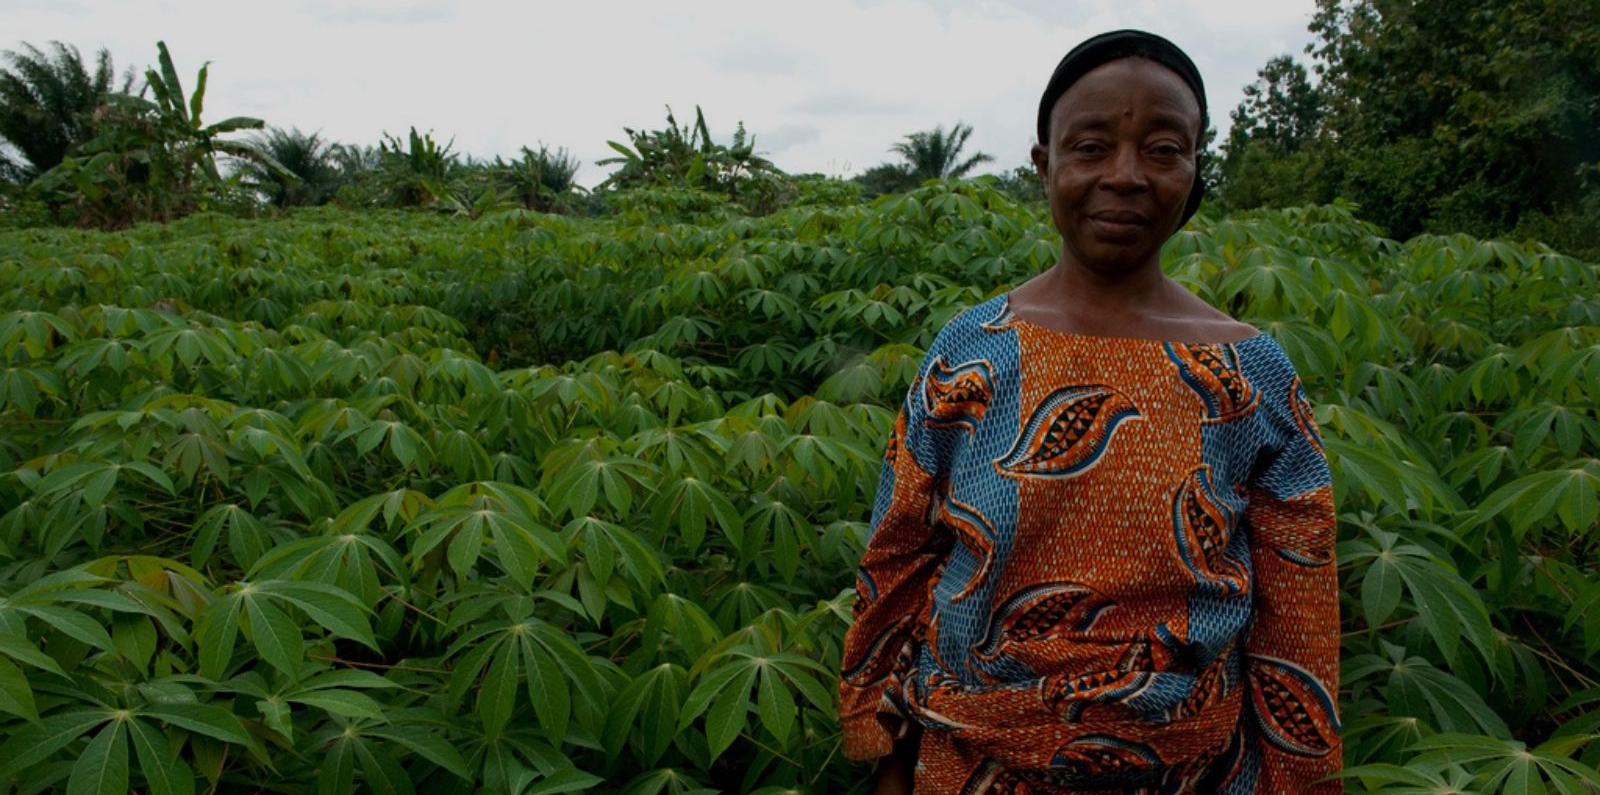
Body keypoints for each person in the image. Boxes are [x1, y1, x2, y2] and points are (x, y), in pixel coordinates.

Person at [837, 30, 1341, 794]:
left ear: (1198, 167)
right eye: (1091, 147)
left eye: (1164, 149)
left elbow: (1297, 614)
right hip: (970, 764)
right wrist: (885, 755)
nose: (1126, 176)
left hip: (1193, 771)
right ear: (1044, 166)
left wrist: (1302, 779)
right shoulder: (972, 351)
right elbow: (898, 559)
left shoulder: (1252, 375)